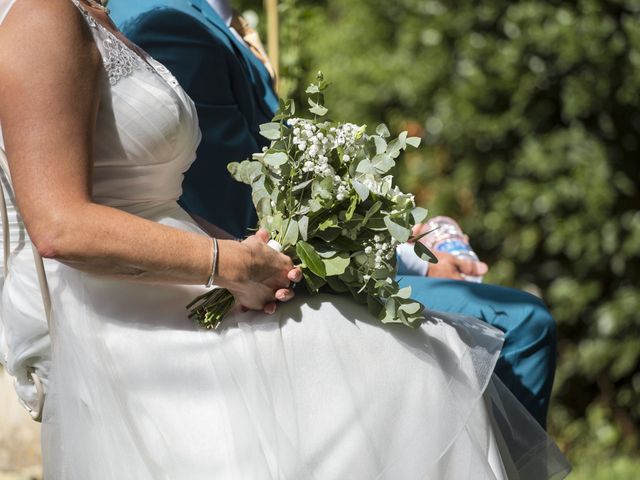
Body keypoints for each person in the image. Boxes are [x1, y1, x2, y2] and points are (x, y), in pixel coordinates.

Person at [0, 0, 572, 478]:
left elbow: (157, 199)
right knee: (416, 373)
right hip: (124, 312)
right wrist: (229, 264)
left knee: (421, 357)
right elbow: (59, 226)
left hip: (190, 277)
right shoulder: (42, 16)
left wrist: (265, 255)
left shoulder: (96, 14)